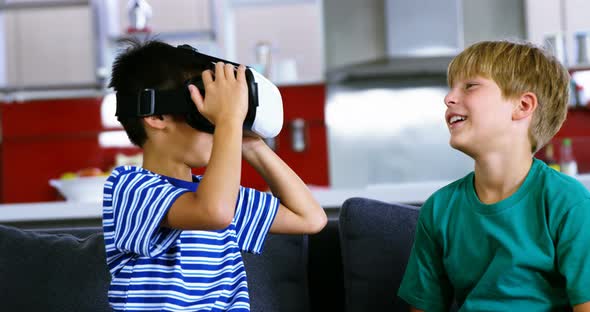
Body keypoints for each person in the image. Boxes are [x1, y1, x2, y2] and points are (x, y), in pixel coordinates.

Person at [102, 39, 327, 311]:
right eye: (204, 116)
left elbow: (310, 218)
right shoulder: (129, 187)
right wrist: (228, 121)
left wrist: (250, 142)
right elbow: (214, 213)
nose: (216, 128)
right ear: (158, 115)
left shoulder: (218, 196)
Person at [398, 40, 590, 311]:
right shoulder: (439, 208)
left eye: (470, 86)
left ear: (522, 106)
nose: (448, 98)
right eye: (451, 87)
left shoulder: (568, 202)